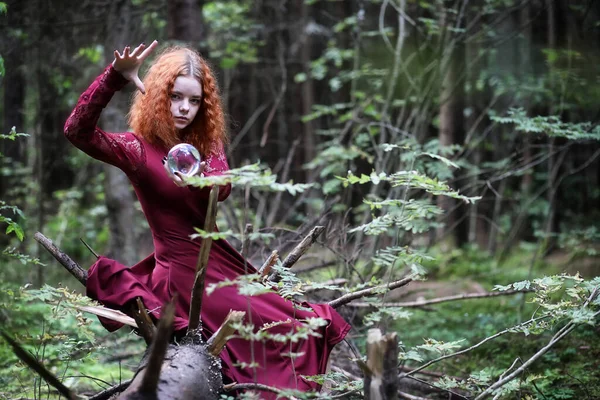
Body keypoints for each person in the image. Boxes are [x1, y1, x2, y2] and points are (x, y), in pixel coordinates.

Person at [63, 41, 350, 397]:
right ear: (156, 96)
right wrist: (113, 78)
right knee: (265, 327)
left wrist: (200, 183)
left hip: (220, 260)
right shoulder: (136, 149)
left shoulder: (205, 144)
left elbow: (224, 184)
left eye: (194, 101)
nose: (185, 108)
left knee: (301, 322)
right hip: (181, 274)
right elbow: (76, 131)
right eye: (175, 97)